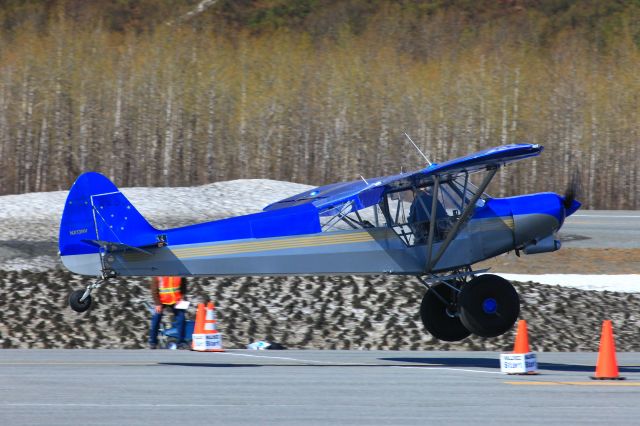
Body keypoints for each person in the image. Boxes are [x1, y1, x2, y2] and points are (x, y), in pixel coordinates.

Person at [149, 276, 187, 349]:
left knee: (181, 319)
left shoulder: (179, 271)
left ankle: (181, 342)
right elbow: (154, 290)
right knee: (156, 318)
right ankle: (153, 342)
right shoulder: (158, 273)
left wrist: (182, 297)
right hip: (161, 301)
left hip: (176, 300)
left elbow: (183, 285)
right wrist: (157, 303)